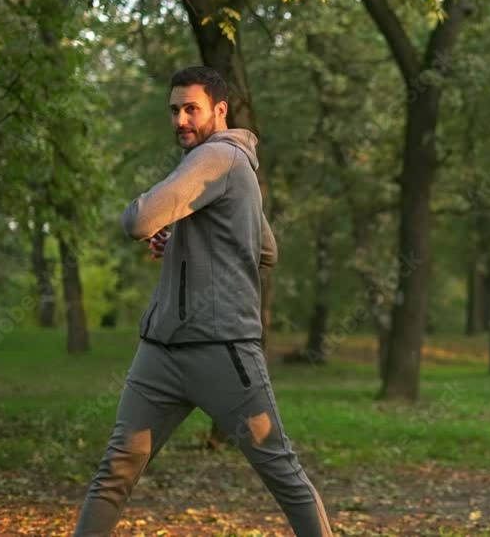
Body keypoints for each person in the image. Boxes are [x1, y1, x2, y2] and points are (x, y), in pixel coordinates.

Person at [72, 66, 333, 537]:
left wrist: (159, 216)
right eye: (174, 110)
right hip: (161, 351)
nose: (180, 120)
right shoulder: (228, 166)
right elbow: (266, 248)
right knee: (115, 471)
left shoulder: (217, 157)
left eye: (191, 108)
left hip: (223, 350)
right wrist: (182, 240)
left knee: (282, 472)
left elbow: (137, 220)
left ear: (219, 110)